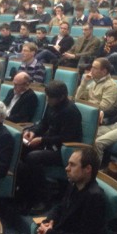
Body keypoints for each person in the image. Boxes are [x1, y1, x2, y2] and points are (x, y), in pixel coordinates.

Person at [8, 148, 106, 234]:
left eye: (72, 165)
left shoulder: (95, 198)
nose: (66, 168)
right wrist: (48, 221)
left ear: (87, 169)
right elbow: (59, 208)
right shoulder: (74, 184)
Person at [17, 80, 82, 212]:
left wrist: (42, 140)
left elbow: (65, 138)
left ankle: (42, 198)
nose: (47, 100)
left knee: (33, 158)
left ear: (62, 97)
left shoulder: (71, 111)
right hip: (49, 143)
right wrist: (33, 132)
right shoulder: (52, 104)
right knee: (21, 148)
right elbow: (44, 124)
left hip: (65, 150)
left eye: (50, 98)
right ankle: (25, 191)